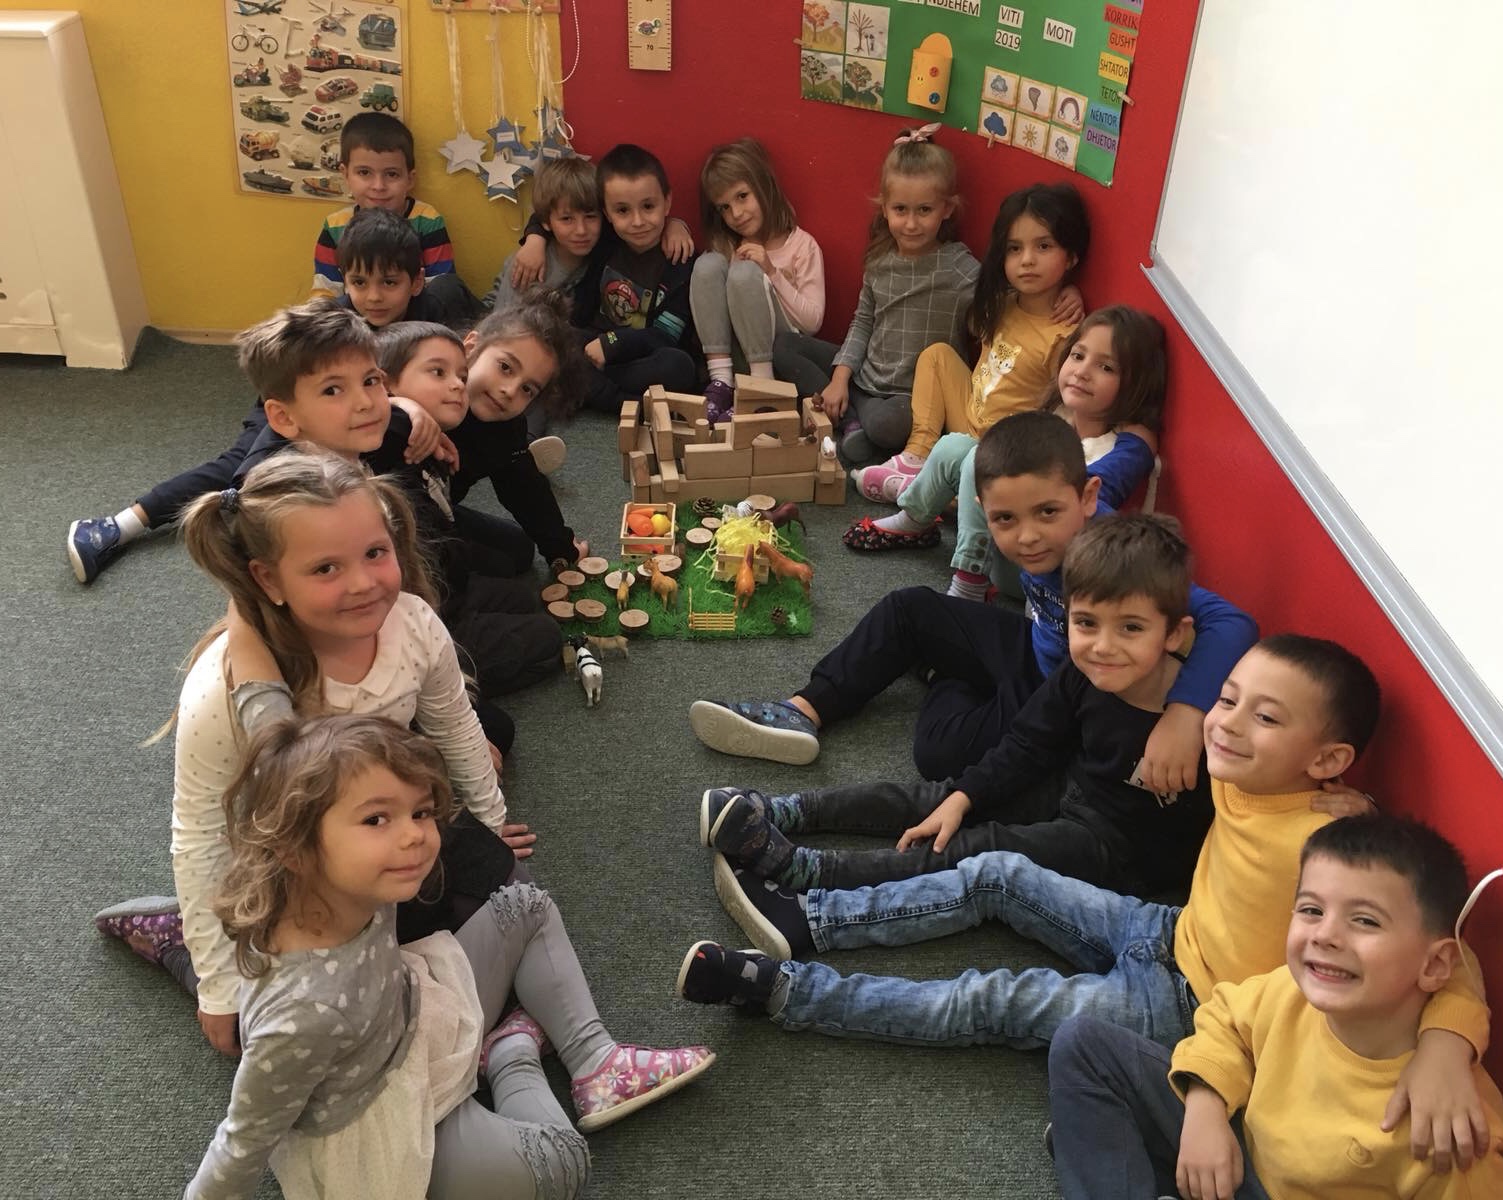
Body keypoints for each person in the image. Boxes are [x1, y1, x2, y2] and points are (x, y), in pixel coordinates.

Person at [676, 637, 1493, 1171]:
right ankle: (809, 915)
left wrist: (1445, 1048)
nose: (1227, 723)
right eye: (1226, 698)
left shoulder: (1335, 839)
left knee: (992, 999)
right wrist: (1187, 712)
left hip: (1191, 1008)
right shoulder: (1237, 766)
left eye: (1264, 716)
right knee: (996, 871)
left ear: (1327, 761)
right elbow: (1212, 622)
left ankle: (787, 993)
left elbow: (1445, 956)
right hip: (1164, 927)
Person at [93, 449, 532, 1056]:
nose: (363, 583)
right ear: (269, 580)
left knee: (509, 908)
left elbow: (455, 722)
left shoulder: (413, 624)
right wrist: (216, 988)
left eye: (375, 553)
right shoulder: (221, 689)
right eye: (326, 568)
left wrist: (489, 819)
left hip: (371, 828)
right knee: (293, 1033)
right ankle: (182, 940)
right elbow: (199, 834)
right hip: (288, 862)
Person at [179, 713, 716, 1199]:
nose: (415, 835)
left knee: (527, 905)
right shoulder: (300, 1018)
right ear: (294, 848)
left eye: (420, 812)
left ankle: (594, 1061)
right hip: (384, 1121)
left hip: (410, 1016)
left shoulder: (356, 884)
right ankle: (511, 1057)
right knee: (561, 1165)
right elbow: (242, 1142)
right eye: (376, 820)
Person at [702, 515, 1214, 953]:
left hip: (1117, 851)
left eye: (1130, 628)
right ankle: (788, 810)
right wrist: (965, 796)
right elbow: (1028, 743)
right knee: (942, 799)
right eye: (1086, 624)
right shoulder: (1084, 673)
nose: (1102, 646)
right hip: (1072, 787)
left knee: (980, 847)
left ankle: (812, 872)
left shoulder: (1206, 722)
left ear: (1175, 633)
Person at [690, 411, 1255, 808]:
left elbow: (1232, 621)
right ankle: (802, 711)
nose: (1027, 537)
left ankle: (944, 674)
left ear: (1086, 499)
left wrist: (1185, 715)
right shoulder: (1066, 499)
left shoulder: (1115, 560)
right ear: (982, 510)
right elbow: (1125, 461)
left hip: (1059, 696)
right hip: (1030, 645)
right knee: (908, 607)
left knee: (938, 753)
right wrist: (1139, 435)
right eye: (1005, 519)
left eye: (1047, 513)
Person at [1048, 814, 1503, 1199]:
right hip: (1244, 1153)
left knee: (1098, 1139)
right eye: (1311, 910)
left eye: (1365, 920)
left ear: (1435, 965)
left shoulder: (1454, 1130)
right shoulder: (1291, 989)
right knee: (1081, 1043)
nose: (1325, 935)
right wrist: (1206, 1106)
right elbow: (1226, 1019)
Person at [65, 301, 444, 584]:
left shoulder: (366, 408)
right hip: (285, 415)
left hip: (300, 407)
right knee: (232, 466)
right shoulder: (270, 481)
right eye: (335, 389)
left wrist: (405, 404)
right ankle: (113, 526)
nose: (366, 402)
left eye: (373, 382)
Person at [849, 305, 1166, 607]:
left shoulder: (1122, 447)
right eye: (1078, 355)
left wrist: (1141, 436)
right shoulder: (1058, 413)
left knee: (980, 460)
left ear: (1136, 384)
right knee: (955, 447)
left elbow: (1105, 482)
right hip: (1009, 536)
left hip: (1038, 567)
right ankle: (914, 521)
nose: (1082, 372)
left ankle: (970, 582)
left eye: (1106, 367)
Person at [851, 182, 1090, 502]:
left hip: (1002, 451)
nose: (1027, 260)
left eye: (1044, 246)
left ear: (1071, 256)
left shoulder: (1065, 337)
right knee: (937, 354)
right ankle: (916, 456)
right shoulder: (1000, 304)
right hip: (966, 421)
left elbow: (1061, 421)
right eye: (1014, 248)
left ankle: (935, 494)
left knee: (971, 482)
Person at [771, 125, 979, 465]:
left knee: (886, 426)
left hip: (908, 399)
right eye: (901, 210)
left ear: (947, 209)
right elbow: (863, 323)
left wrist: (1066, 294)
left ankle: (855, 423)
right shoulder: (880, 261)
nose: (911, 224)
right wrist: (840, 378)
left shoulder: (959, 268)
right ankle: (851, 417)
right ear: (884, 208)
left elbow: (1004, 302)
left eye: (924, 210)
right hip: (865, 376)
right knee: (785, 346)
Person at [688, 137, 826, 422]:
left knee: (745, 272)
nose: (736, 214)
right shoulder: (728, 246)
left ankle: (761, 391)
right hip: (736, 360)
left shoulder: (802, 245)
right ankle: (721, 383)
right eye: (724, 207)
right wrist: (675, 227)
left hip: (780, 362)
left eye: (742, 196)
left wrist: (771, 271)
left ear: (764, 186)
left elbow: (812, 322)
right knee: (707, 264)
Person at [309, 112, 477, 322]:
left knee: (448, 288)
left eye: (391, 174)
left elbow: (440, 289)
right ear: (345, 174)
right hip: (359, 320)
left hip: (417, 320)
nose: (379, 186)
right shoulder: (335, 226)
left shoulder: (427, 221)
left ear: (410, 179)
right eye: (364, 172)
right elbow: (326, 292)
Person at [570, 143, 699, 413]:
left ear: (667, 202)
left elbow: (665, 337)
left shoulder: (681, 262)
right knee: (553, 342)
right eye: (623, 211)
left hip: (641, 357)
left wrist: (612, 344)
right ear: (606, 213)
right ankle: (628, 402)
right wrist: (534, 237)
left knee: (679, 367)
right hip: (589, 345)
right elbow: (553, 208)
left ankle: (592, 390)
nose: (638, 221)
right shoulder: (604, 240)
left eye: (648, 206)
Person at [483, 157, 602, 333]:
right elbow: (501, 329)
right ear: (545, 222)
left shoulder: (604, 254)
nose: (581, 230)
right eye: (567, 219)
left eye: (590, 217)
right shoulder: (528, 266)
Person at [335, 207, 446, 327]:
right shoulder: (335, 325)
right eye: (359, 282)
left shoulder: (437, 315)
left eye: (389, 282)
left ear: (417, 282)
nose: (374, 297)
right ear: (345, 282)